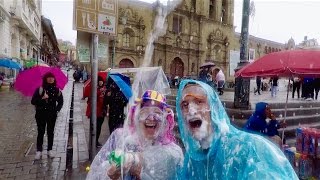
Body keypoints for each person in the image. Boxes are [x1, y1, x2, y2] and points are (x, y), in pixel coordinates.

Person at [176, 80, 298, 179]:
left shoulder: (247, 148)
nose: (191, 111)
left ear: (214, 108)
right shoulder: (192, 158)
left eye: (199, 101)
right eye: (184, 105)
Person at [87, 90, 183, 180]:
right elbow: (95, 173)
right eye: (145, 112)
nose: (151, 118)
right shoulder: (120, 138)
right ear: (136, 116)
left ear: (165, 119)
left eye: (157, 113)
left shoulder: (173, 152)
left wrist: (136, 162)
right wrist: (109, 175)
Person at [31, 72, 64, 160]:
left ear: (54, 79)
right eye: (48, 77)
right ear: (45, 79)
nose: (50, 79)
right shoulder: (40, 89)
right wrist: (42, 98)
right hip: (40, 114)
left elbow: (61, 102)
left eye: (52, 78)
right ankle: (39, 150)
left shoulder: (57, 90)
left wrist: (56, 110)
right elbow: (33, 101)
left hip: (51, 115)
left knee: (50, 132)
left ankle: (50, 149)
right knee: (40, 132)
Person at [85, 76, 106, 147]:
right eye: (99, 81)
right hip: (95, 111)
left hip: (102, 111)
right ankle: (94, 141)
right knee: (95, 126)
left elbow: (105, 101)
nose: (100, 82)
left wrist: (105, 94)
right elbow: (91, 98)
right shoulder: (94, 89)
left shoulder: (104, 89)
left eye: (101, 81)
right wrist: (99, 93)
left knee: (99, 127)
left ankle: (95, 140)